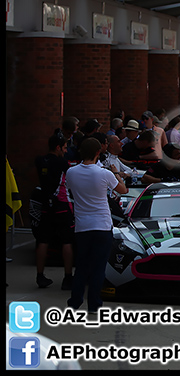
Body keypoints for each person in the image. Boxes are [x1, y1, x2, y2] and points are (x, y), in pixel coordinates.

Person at [65, 137, 128, 314]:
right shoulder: (104, 173)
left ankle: (75, 302)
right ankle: (94, 304)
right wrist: (116, 173)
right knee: (99, 267)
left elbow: (71, 189)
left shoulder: (71, 172)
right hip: (102, 225)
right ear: (97, 153)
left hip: (82, 226)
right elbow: (123, 190)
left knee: (82, 266)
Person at [33, 131, 75, 289]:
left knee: (43, 240)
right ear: (57, 147)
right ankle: (68, 277)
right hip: (61, 205)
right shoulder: (63, 163)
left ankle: (39, 275)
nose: (65, 151)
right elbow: (70, 180)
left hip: (45, 204)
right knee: (67, 241)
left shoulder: (39, 160)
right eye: (64, 148)